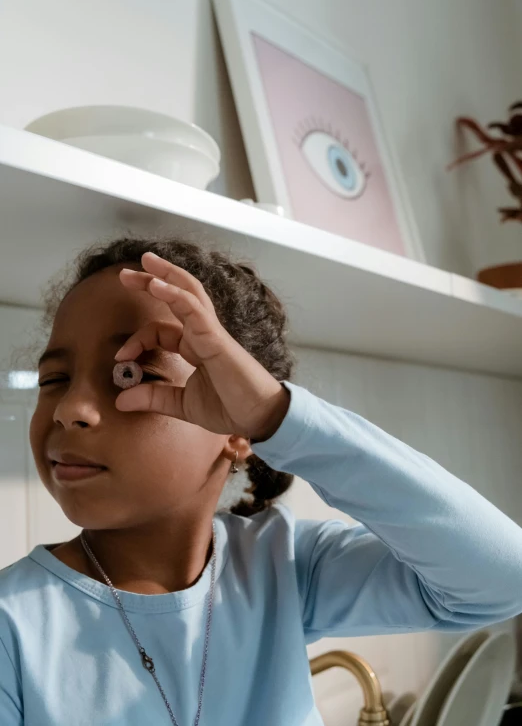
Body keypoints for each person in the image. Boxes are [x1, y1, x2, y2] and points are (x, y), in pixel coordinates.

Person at [1, 235, 521, 726]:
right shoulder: (13, 623)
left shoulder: (282, 565)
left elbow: (501, 579)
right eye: (54, 380)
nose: (71, 409)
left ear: (235, 427)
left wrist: (277, 415)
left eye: (131, 373)